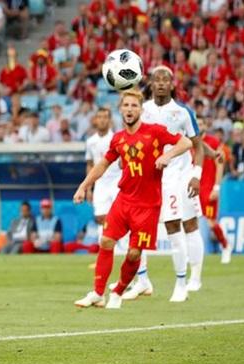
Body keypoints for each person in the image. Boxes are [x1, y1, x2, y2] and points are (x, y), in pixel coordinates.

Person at [74, 89, 192, 309]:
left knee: (134, 253)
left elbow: (186, 143)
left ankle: (118, 291)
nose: (129, 109)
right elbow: (102, 165)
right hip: (124, 200)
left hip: (148, 205)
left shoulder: (155, 132)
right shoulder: (118, 139)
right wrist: (84, 186)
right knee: (106, 241)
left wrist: (167, 155)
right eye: (126, 106)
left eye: (134, 106)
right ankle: (98, 293)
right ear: (121, 110)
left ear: (141, 110)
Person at [125, 66, 205, 301]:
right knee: (136, 228)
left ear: (172, 84)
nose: (160, 83)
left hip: (177, 177)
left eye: (165, 80)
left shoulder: (182, 112)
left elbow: (196, 144)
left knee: (181, 226)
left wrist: (196, 174)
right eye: (156, 79)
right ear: (150, 83)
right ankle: (142, 280)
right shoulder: (142, 109)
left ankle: (186, 281)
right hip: (147, 178)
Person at [85, 107, 121, 240]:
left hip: (117, 182)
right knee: (100, 217)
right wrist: (89, 187)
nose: (102, 120)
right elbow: (90, 164)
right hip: (100, 184)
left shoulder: (116, 138)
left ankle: (122, 249)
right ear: (95, 120)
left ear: (109, 120)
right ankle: (105, 251)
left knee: (120, 217)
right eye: (99, 117)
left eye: (105, 117)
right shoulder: (90, 142)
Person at [200, 125, 232, 264]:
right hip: (195, 188)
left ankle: (225, 245)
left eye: (201, 124)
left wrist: (217, 187)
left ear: (205, 126)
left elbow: (220, 163)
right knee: (190, 222)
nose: (199, 126)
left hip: (209, 188)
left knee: (211, 222)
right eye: (197, 123)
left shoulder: (212, 141)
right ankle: (193, 253)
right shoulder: (191, 141)